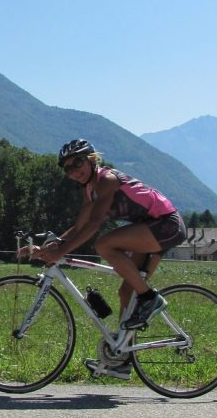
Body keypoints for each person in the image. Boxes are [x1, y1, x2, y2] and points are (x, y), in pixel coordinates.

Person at [24, 138, 186, 380]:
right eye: (67, 168)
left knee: (104, 243)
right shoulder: (90, 191)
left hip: (166, 224)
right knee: (126, 293)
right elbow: (79, 226)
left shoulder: (106, 180)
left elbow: (94, 225)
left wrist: (61, 251)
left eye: (77, 163)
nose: (73, 171)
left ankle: (150, 299)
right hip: (147, 227)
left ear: (92, 160)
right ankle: (122, 358)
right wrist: (53, 245)